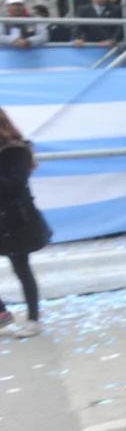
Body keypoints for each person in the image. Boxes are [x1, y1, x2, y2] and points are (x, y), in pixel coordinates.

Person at [0, 108, 51, 338]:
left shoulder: (16, 151)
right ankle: (2, 313)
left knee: (21, 267)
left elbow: (15, 185)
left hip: (15, 220)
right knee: (21, 267)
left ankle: (33, 319)